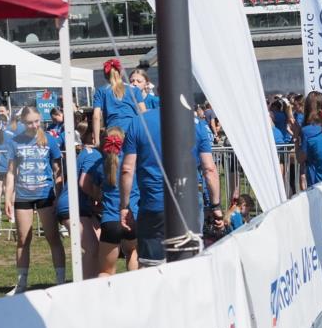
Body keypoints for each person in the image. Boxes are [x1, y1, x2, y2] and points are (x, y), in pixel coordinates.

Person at [120, 108, 223, 266]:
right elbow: (209, 169)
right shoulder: (198, 124)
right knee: (189, 264)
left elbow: (127, 169)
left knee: (152, 268)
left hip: (153, 206)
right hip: (188, 206)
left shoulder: (138, 122)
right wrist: (215, 206)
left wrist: (125, 206)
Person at [5, 106, 66, 295]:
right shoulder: (15, 141)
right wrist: (7, 198)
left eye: (37, 121)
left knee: (53, 237)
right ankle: (21, 284)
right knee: (23, 239)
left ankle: (61, 281)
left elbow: (58, 170)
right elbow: (11, 173)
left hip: (45, 194)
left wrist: (59, 195)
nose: (34, 125)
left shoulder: (50, 140)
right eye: (30, 122)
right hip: (23, 195)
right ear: (23, 122)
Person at [55, 122, 103, 279]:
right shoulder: (93, 154)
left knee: (98, 246)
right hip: (72, 206)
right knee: (92, 248)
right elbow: (84, 183)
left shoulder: (88, 152)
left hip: (80, 206)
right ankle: (84, 285)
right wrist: (100, 198)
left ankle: (93, 281)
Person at [90, 127, 139, 276]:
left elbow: (95, 193)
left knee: (106, 272)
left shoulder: (100, 165)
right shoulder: (133, 162)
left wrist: (102, 199)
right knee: (132, 252)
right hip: (132, 217)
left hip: (110, 220)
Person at [92, 58, 144, 145]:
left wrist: (97, 141)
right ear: (122, 73)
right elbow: (143, 112)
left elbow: (96, 116)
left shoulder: (101, 91)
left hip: (112, 132)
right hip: (132, 130)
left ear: (105, 75)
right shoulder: (134, 90)